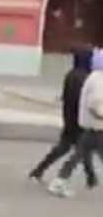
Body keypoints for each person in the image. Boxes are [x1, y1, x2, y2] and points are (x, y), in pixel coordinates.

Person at [30, 47, 95, 187]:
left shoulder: (72, 74)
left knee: (71, 148)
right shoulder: (83, 77)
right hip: (79, 120)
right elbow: (82, 100)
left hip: (69, 117)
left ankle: (91, 178)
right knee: (80, 149)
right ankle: (83, 177)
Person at [48, 49, 103, 198]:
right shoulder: (99, 80)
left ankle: (60, 181)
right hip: (97, 126)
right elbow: (95, 104)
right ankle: (59, 182)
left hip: (91, 126)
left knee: (78, 155)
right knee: (77, 155)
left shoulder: (93, 77)